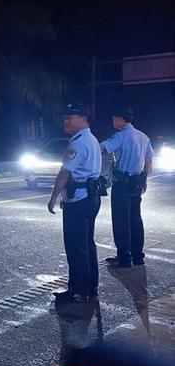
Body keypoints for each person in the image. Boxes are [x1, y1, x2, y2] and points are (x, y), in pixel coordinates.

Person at [48, 102, 102, 303]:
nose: (66, 121)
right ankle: (90, 287)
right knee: (87, 244)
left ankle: (79, 291)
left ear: (83, 118)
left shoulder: (78, 142)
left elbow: (64, 173)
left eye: (70, 118)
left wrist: (54, 196)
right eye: (64, 118)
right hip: (91, 197)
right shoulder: (92, 139)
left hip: (78, 200)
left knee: (76, 246)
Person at [100, 106, 154, 267]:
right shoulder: (143, 136)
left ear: (120, 119)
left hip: (122, 183)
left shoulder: (121, 136)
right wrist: (144, 178)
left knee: (121, 220)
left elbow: (103, 148)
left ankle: (124, 257)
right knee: (136, 219)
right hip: (136, 182)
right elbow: (149, 161)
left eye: (114, 118)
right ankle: (138, 256)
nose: (113, 121)